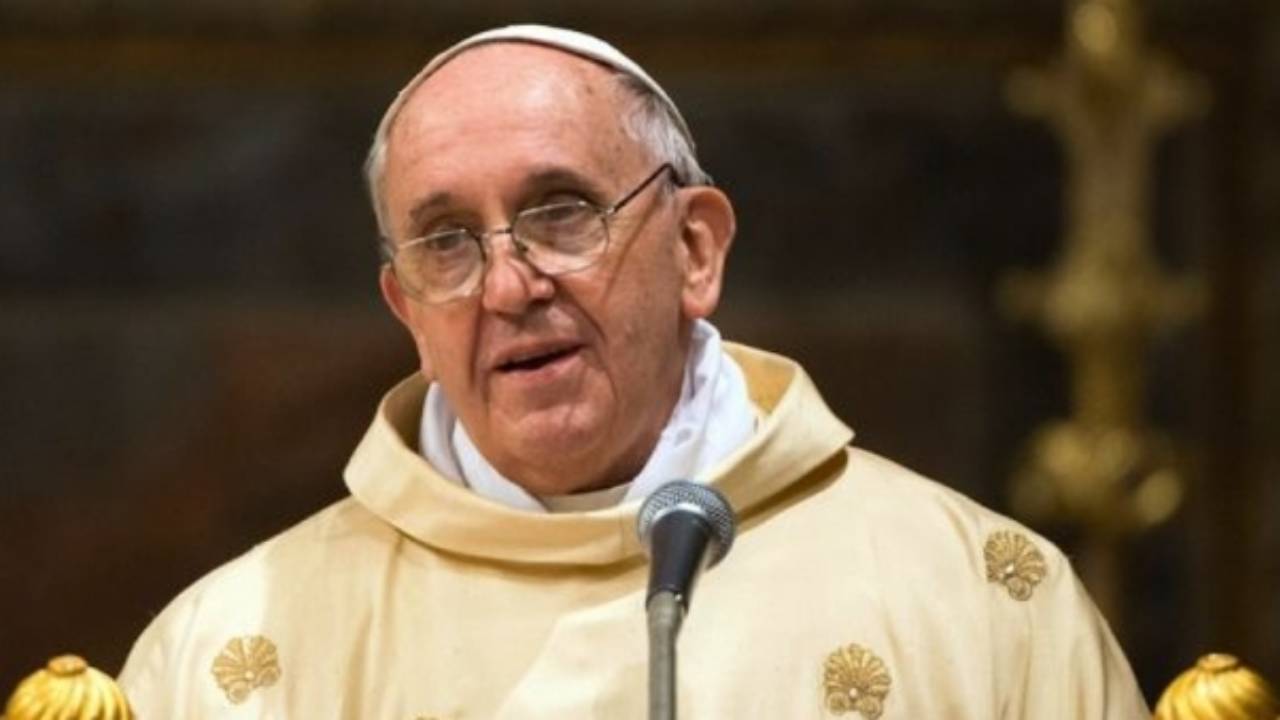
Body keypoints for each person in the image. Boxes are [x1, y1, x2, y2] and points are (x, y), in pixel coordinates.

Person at [118, 24, 1150, 718]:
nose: (507, 285)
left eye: (560, 212)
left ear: (695, 250)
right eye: (445, 242)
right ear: (407, 313)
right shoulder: (227, 657)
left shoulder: (975, 600)